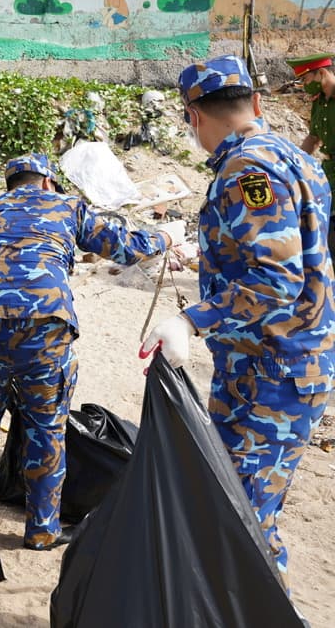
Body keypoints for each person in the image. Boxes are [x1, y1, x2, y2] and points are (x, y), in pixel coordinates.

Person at [142, 54, 335, 591]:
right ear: (256, 102)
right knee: (236, 511)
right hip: (273, 367)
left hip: (271, 373)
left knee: (241, 525)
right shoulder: (296, 158)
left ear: (192, 116)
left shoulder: (248, 169)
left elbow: (276, 277)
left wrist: (190, 320)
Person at [0, 153, 175, 551]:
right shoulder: (66, 206)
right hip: (45, 326)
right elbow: (127, 248)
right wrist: (164, 238)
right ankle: (42, 530)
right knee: (45, 425)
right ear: (47, 182)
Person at [288, 51, 335, 258]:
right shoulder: (319, 102)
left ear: (321, 73)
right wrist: (294, 161)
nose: (305, 85)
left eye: (306, 79)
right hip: (329, 172)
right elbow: (314, 138)